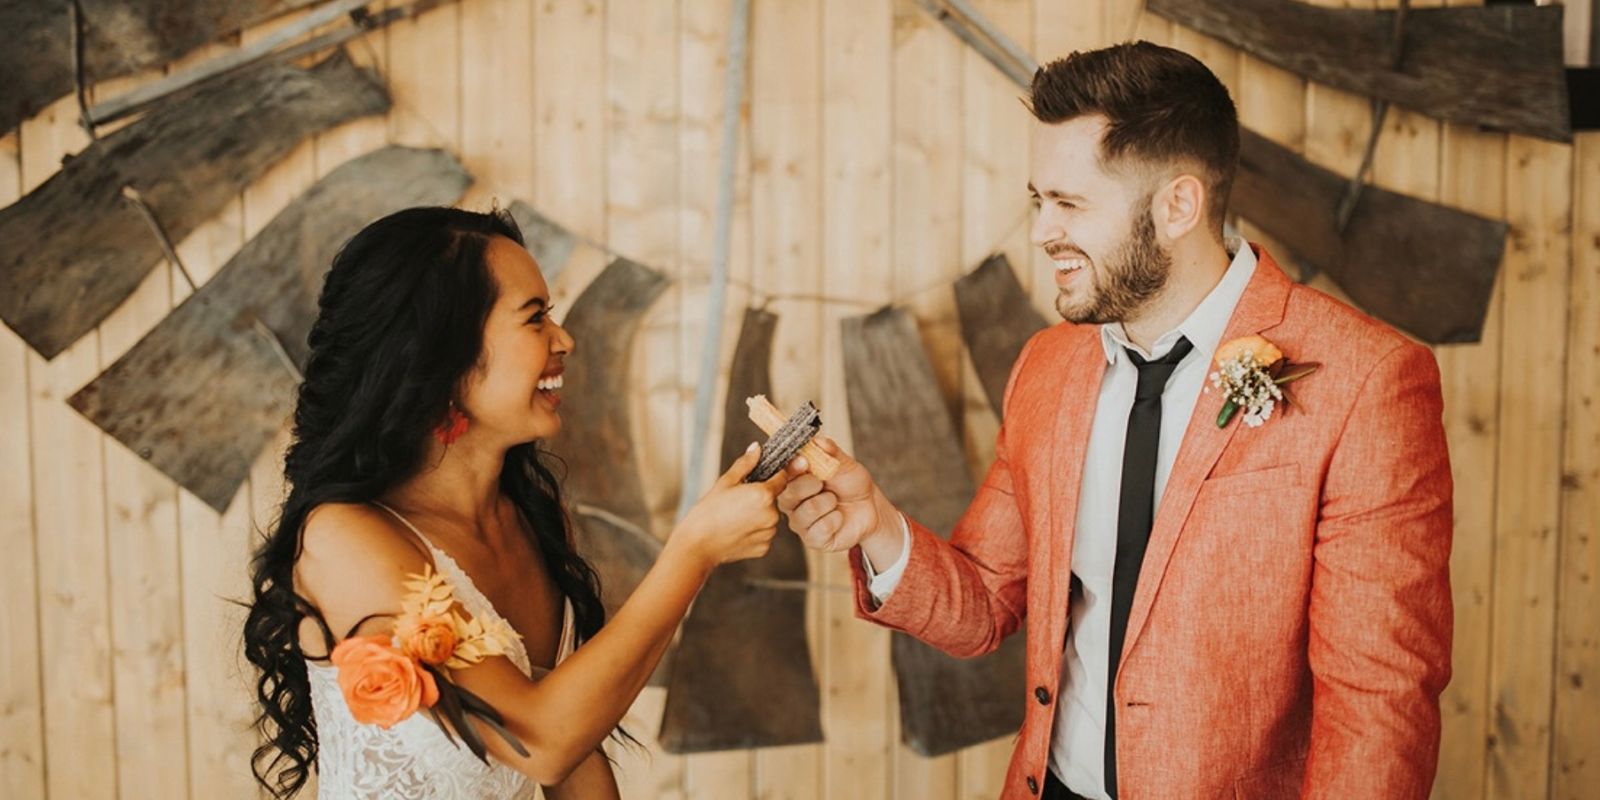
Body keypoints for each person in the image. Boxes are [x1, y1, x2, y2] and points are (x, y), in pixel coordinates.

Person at [778, 42, 1453, 800]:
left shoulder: (1368, 380)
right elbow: (984, 604)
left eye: (1069, 204)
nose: (1040, 233)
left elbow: (1379, 706)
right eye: (1039, 201)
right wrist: (876, 525)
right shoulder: (1047, 365)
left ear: (1178, 205)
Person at [244, 207, 788, 799]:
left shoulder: (528, 519)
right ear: (440, 356)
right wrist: (693, 552)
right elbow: (543, 742)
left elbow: (576, 757)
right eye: (535, 319)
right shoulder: (343, 539)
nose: (565, 339)